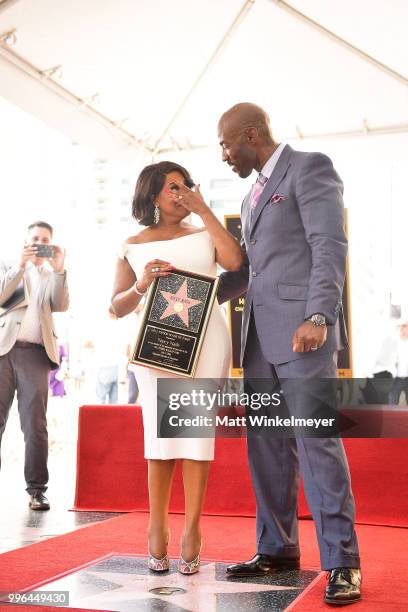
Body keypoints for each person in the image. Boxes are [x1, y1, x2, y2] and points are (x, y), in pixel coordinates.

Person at [217, 103, 361, 605]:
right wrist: (191, 294)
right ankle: (276, 549)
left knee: (317, 445)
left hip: (305, 337)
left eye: (226, 144)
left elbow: (329, 245)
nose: (224, 155)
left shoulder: (310, 168)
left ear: (251, 134)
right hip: (257, 341)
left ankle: (342, 562)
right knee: (267, 448)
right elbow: (249, 270)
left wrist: (319, 315)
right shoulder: (250, 193)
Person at [111, 161, 242, 574]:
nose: (181, 191)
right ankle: (156, 528)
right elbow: (115, 307)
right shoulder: (133, 243)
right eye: (173, 186)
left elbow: (235, 262)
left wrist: (204, 209)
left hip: (205, 342)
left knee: (195, 435)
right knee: (161, 437)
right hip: (155, 348)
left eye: (186, 184)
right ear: (153, 195)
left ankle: (192, 531)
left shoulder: (206, 231)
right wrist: (140, 285)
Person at [0, 221, 69, 510]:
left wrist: (60, 269)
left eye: (45, 240)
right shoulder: (9, 267)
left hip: (36, 355)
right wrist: (20, 265)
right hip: (3, 350)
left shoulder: (50, 275)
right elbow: (2, 297)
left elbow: (61, 304)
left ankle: (37, 490)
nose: (40, 243)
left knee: (36, 426)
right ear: (25, 241)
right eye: (35, 239)